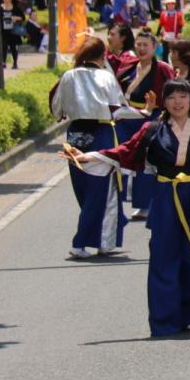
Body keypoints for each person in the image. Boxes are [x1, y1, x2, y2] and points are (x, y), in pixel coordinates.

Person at [62, 79, 190, 336]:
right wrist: (88, 156)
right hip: (165, 195)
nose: (177, 102)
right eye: (171, 97)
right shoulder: (152, 129)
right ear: (164, 102)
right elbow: (124, 152)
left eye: (183, 96)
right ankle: (166, 319)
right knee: (164, 254)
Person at [50, 37, 128, 258]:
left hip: (74, 135)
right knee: (104, 189)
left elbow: (56, 109)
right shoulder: (106, 76)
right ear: (103, 56)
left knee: (83, 189)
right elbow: (119, 107)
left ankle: (98, 238)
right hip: (102, 133)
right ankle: (89, 241)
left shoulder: (68, 76)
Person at [114, 30, 176, 219]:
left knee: (146, 161)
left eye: (145, 45)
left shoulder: (163, 69)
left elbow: (173, 93)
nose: (141, 49)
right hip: (128, 118)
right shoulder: (129, 66)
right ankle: (120, 199)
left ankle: (145, 204)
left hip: (152, 117)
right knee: (122, 158)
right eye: (138, 44)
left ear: (154, 47)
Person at [0, 0, 23, 68]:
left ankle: (15, 63)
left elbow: (22, 17)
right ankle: (3, 62)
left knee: (13, 47)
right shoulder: (0, 8)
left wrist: (15, 18)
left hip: (13, 31)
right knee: (3, 47)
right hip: (3, 31)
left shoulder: (15, 8)